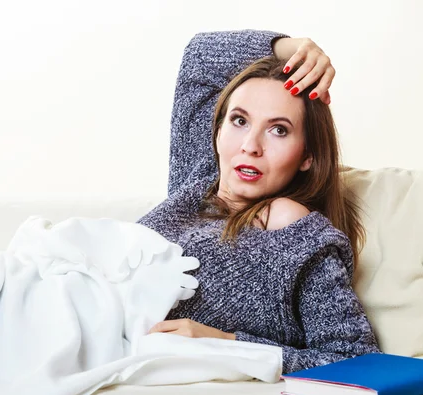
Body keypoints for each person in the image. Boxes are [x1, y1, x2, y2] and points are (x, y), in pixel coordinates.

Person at [138, 30, 381, 374]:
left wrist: (228, 344)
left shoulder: (289, 226)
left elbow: (356, 359)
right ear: (218, 130)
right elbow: (200, 57)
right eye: (239, 121)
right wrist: (297, 50)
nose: (250, 145)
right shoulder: (196, 179)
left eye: (278, 130)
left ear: (307, 156)